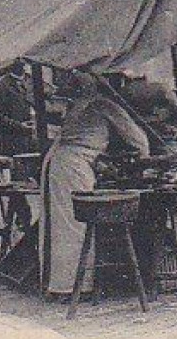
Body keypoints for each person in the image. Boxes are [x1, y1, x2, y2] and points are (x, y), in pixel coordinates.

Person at [38, 70, 150, 298]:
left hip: (57, 161)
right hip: (73, 167)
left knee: (57, 225)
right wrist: (144, 159)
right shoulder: (104, 105)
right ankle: (74, 287)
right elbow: (138, 141)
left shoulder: (77, 105)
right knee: (74, 225)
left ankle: (57, 284)